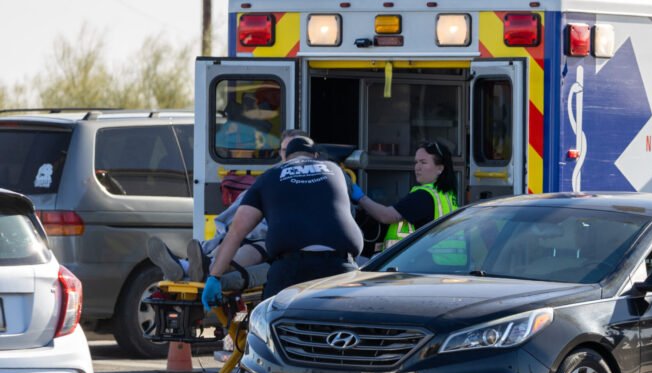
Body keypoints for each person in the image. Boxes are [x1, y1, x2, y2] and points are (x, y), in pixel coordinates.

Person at [202, 135, 362, 309]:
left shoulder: (269, 177)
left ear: (285, 158)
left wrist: (214, 277)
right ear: (315, 156)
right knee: (342, 328)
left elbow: (236, 233)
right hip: (341, 266)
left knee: (276, 327)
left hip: (291, 269)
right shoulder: (336, 171)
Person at [148, 129, 308, 291]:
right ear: (280, 153)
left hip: (274, 241)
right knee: (228, 242)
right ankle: (192, 265)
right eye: (285, 150)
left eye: (293, 150)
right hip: (250, 235)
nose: (289, 155)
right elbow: (237, 216)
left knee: (252, 248)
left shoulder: (309, 181)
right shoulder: (270, 179)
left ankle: (193, 266)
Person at [350, 140, 458, 252]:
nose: (417, 167)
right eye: (416, 162)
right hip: (443, 263)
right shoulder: (447, 195)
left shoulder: (424, 195)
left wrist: (361, 198)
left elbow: (387, 216)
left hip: (422, 264)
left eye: (423, 162)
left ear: (440, 168)